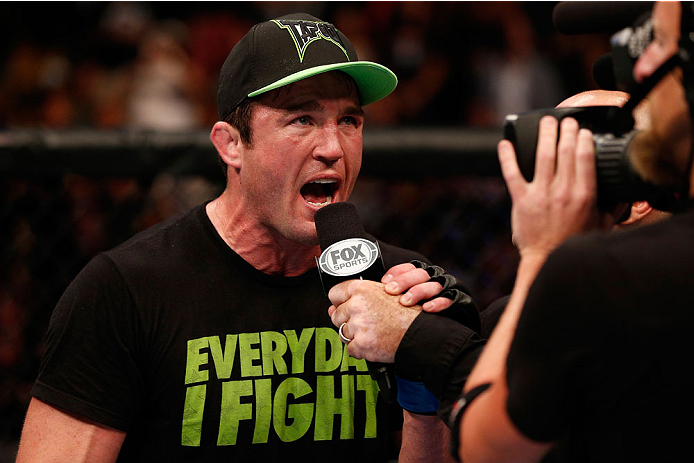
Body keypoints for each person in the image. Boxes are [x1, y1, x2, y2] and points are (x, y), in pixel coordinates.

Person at [15, 13, 479, 462]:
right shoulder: (126, 291)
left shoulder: (399, 290)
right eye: (302, 120)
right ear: (230, 144)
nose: (333, 148)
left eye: (350, 121)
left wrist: (424, 396)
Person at [329, 1, 694, 460]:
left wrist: (426, 341)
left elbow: (492, 445)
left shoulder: (626, 296)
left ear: (639, 189)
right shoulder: (506, 317)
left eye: (573, 150)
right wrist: (421, 394)